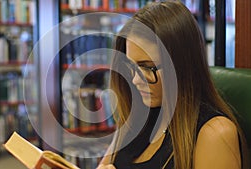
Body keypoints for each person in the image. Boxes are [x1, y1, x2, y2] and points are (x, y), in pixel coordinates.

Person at [96, 1, 249, 169]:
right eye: (131, 66)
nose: (135, 80)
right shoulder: (136, 118)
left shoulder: (215, 133)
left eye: (147, 67)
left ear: (182, 65)